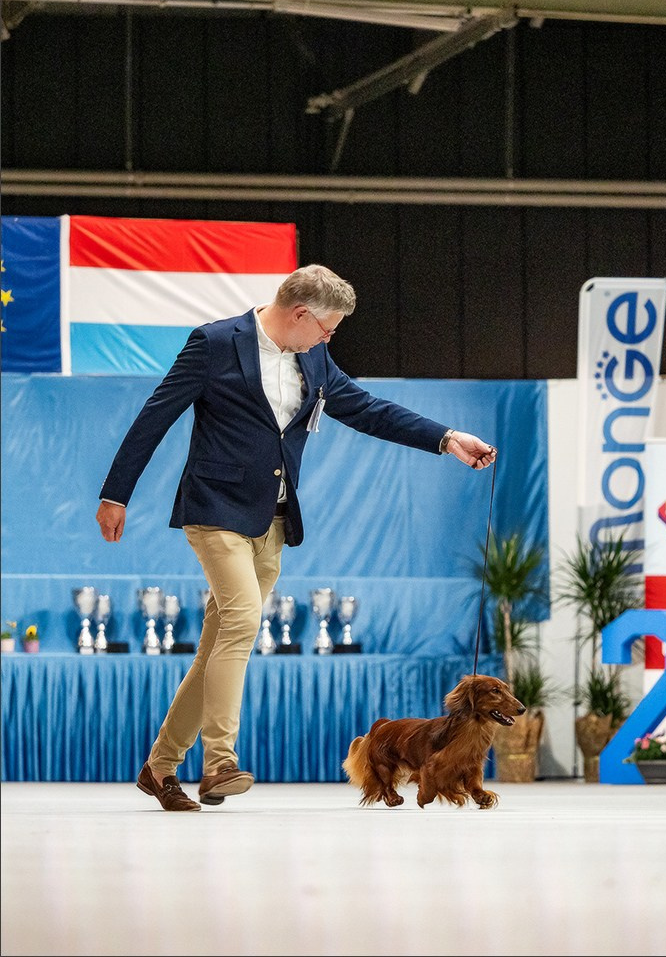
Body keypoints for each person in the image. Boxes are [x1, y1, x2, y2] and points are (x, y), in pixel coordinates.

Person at [96, 264, 496, 812]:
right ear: (300, 313)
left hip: (274, 518)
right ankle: (220, 763)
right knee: (240, 618)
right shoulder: (214, 343)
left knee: (218, 644)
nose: (331, 339)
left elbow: (367, 409)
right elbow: (155, 415)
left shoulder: (315, 356)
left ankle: (160, 767)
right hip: (214, 508)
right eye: (327, 328)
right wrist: (116, 493)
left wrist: (447, 438)